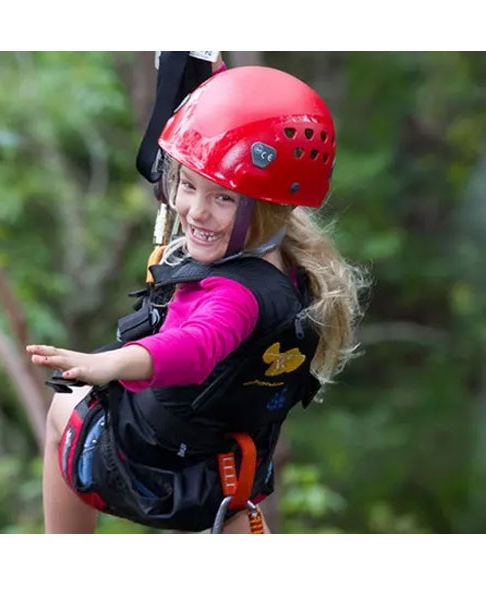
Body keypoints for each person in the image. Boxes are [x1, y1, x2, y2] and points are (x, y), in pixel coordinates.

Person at [26, 65, 369, 534]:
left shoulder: (236, 297)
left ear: (267, 206)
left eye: (223, 199)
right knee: (231, 515)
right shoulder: (288, 265)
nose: (194, 211)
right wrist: (209, 73)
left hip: (157, 459)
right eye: (187, 185)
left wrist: (117, 363)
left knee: (67, 406)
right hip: (228, 470)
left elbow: (195, 345)